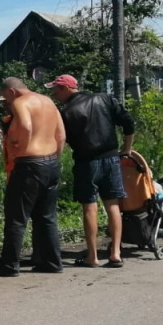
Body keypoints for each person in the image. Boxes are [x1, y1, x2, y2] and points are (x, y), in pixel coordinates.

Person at [47, 74, 134, 268]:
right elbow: (128, 122)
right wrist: (126, 149)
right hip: (111, 158)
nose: (55, 94)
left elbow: (61, 138)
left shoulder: (65, 111)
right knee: (113, 205)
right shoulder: (104, 98)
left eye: (56, 90)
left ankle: (92, 256)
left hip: (86, 162)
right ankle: (115, 254)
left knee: (89, 207)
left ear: (66, 88)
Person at [0, 77, 66, 277]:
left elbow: (25, 126)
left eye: (5, 97)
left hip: (29, 164)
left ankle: (9, 265)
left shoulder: (20, 102)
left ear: (12, 91)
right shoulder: (48, 101)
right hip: (51, 162)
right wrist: (55, 158)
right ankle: (52, 261)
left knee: (16, 217)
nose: (6, 102)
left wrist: (20, 151)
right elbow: (61, 135)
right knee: (47, 216)